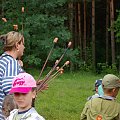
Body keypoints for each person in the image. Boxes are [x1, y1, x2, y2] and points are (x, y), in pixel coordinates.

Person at [0, 31, 25, 119]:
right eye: (23, 44)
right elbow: (10, 89)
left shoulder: (3, 60)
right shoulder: (11, 62)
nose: (24, 47)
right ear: (17, 45)